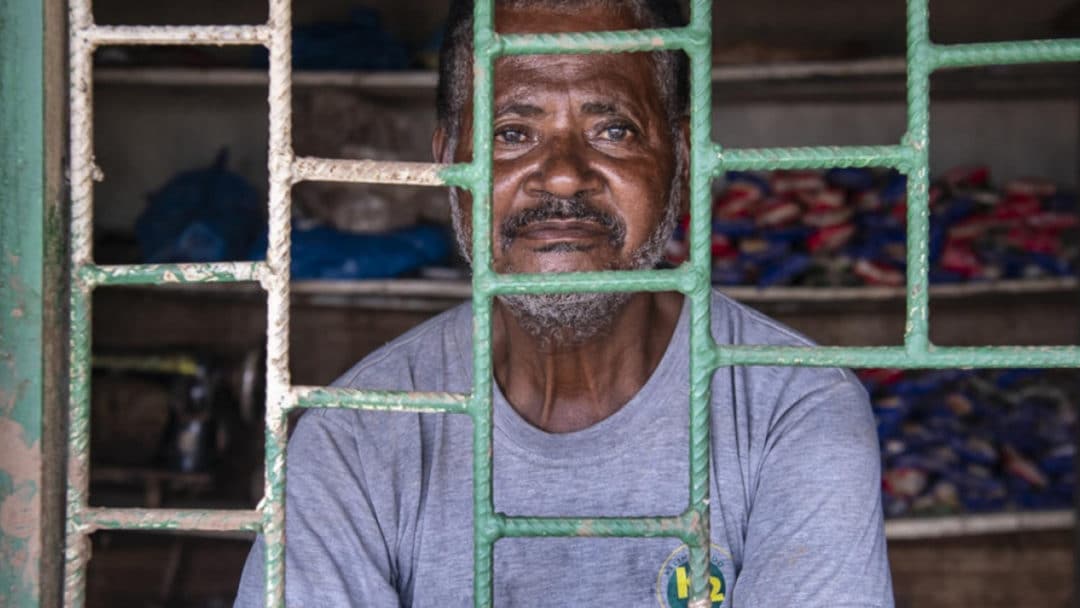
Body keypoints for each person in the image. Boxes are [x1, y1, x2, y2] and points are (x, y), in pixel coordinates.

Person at [235, 0, 893, 606]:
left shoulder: (796, 408)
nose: (561, 174)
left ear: (680, 158)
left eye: (613, 130)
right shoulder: (354, 439)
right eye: (512, 132)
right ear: (448, 166)